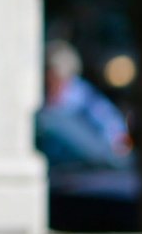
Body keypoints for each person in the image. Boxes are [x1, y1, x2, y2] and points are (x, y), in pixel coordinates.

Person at [36, 39, 133, 170]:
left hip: (90, 165)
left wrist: (117, 150)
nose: (49, 79)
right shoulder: (43, 99)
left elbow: (113, 127)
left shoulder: (83, 96)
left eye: (52, 73)